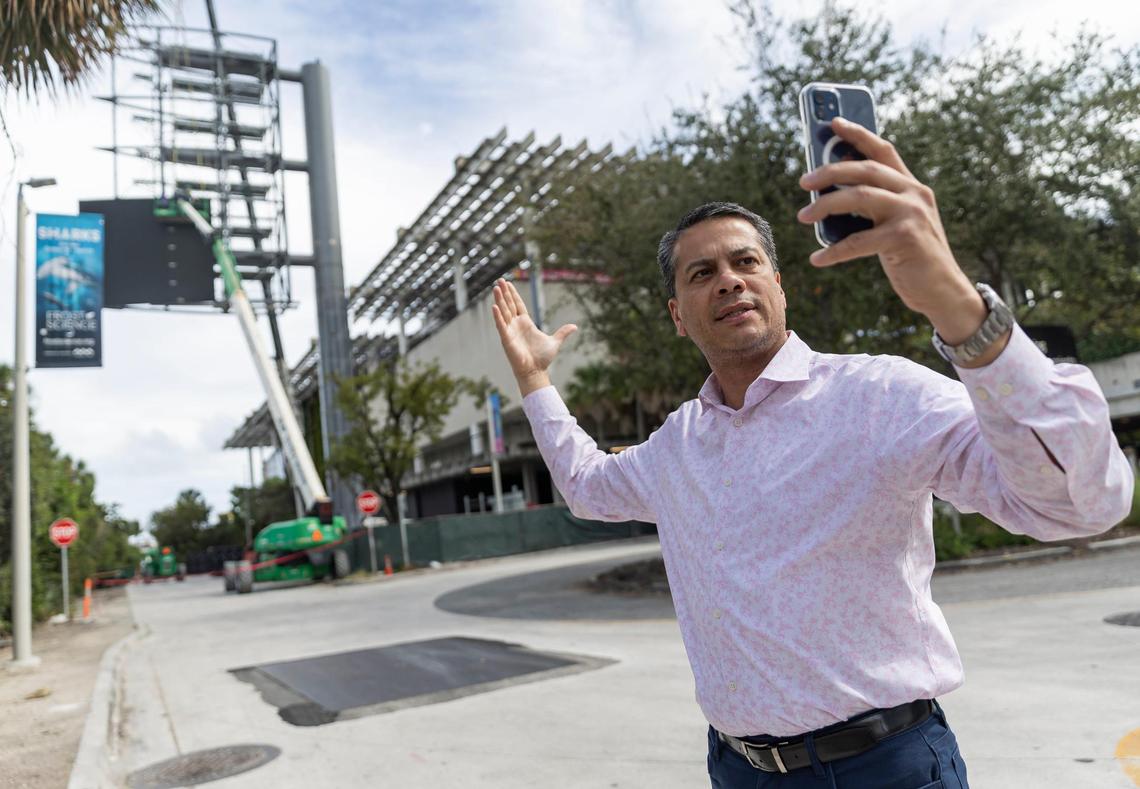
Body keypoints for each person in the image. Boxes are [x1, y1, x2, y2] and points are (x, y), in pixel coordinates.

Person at [491, 116, 1133, 788]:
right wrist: (536, 378)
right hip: (739, 769)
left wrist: (956, 305)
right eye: (703, 272)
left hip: (886, 767)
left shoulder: (879, 396)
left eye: (746, 262)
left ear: (778, 283)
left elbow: (1079, 504)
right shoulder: (677, 444)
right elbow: (587, 486)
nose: (730, 280)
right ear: (678, 315)